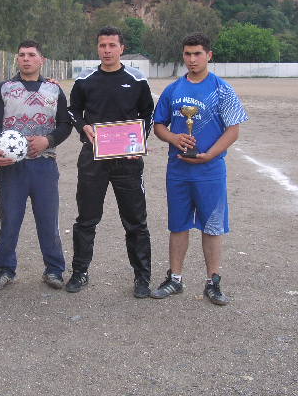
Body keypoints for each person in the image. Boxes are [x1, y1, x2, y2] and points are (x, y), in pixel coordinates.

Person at [151, 32, 248, 305]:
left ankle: (213, 281)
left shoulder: (222, 89)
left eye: (197, 54)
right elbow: (159, 125)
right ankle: (175, 279)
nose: (192, 59)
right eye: (187, 54)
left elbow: (233, 130)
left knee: (212, 226)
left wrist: (209, 155)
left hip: (210, 170)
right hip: (179, 169)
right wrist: (173, 138)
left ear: (209, 55)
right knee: (178, 225)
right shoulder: (173, 90)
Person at [66, 26, 154, 298]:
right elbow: (73, 111)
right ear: (97, 48)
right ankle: (80, 272)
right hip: (93, 158)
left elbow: (148, 112)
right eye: (102, 45)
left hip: (127, 161)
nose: (107, 50)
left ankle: (142, 277)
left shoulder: (136, 79)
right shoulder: (85, 79)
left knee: (135, 221)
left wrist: (139, 142)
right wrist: (84, 128)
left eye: (112, 46)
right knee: (86, 219)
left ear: (121, 48)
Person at [0, 40, 72, 291]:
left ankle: (54, 269)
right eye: (21, 54)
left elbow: (65, 124)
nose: (26, 59)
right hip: (12, 167)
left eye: (31, 55)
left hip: (44, 165)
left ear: (41, 59)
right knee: (10, 220)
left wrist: (48, 140)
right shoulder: (4, 89)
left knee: (48, 220)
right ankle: (4, 269)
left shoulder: (54, 90)